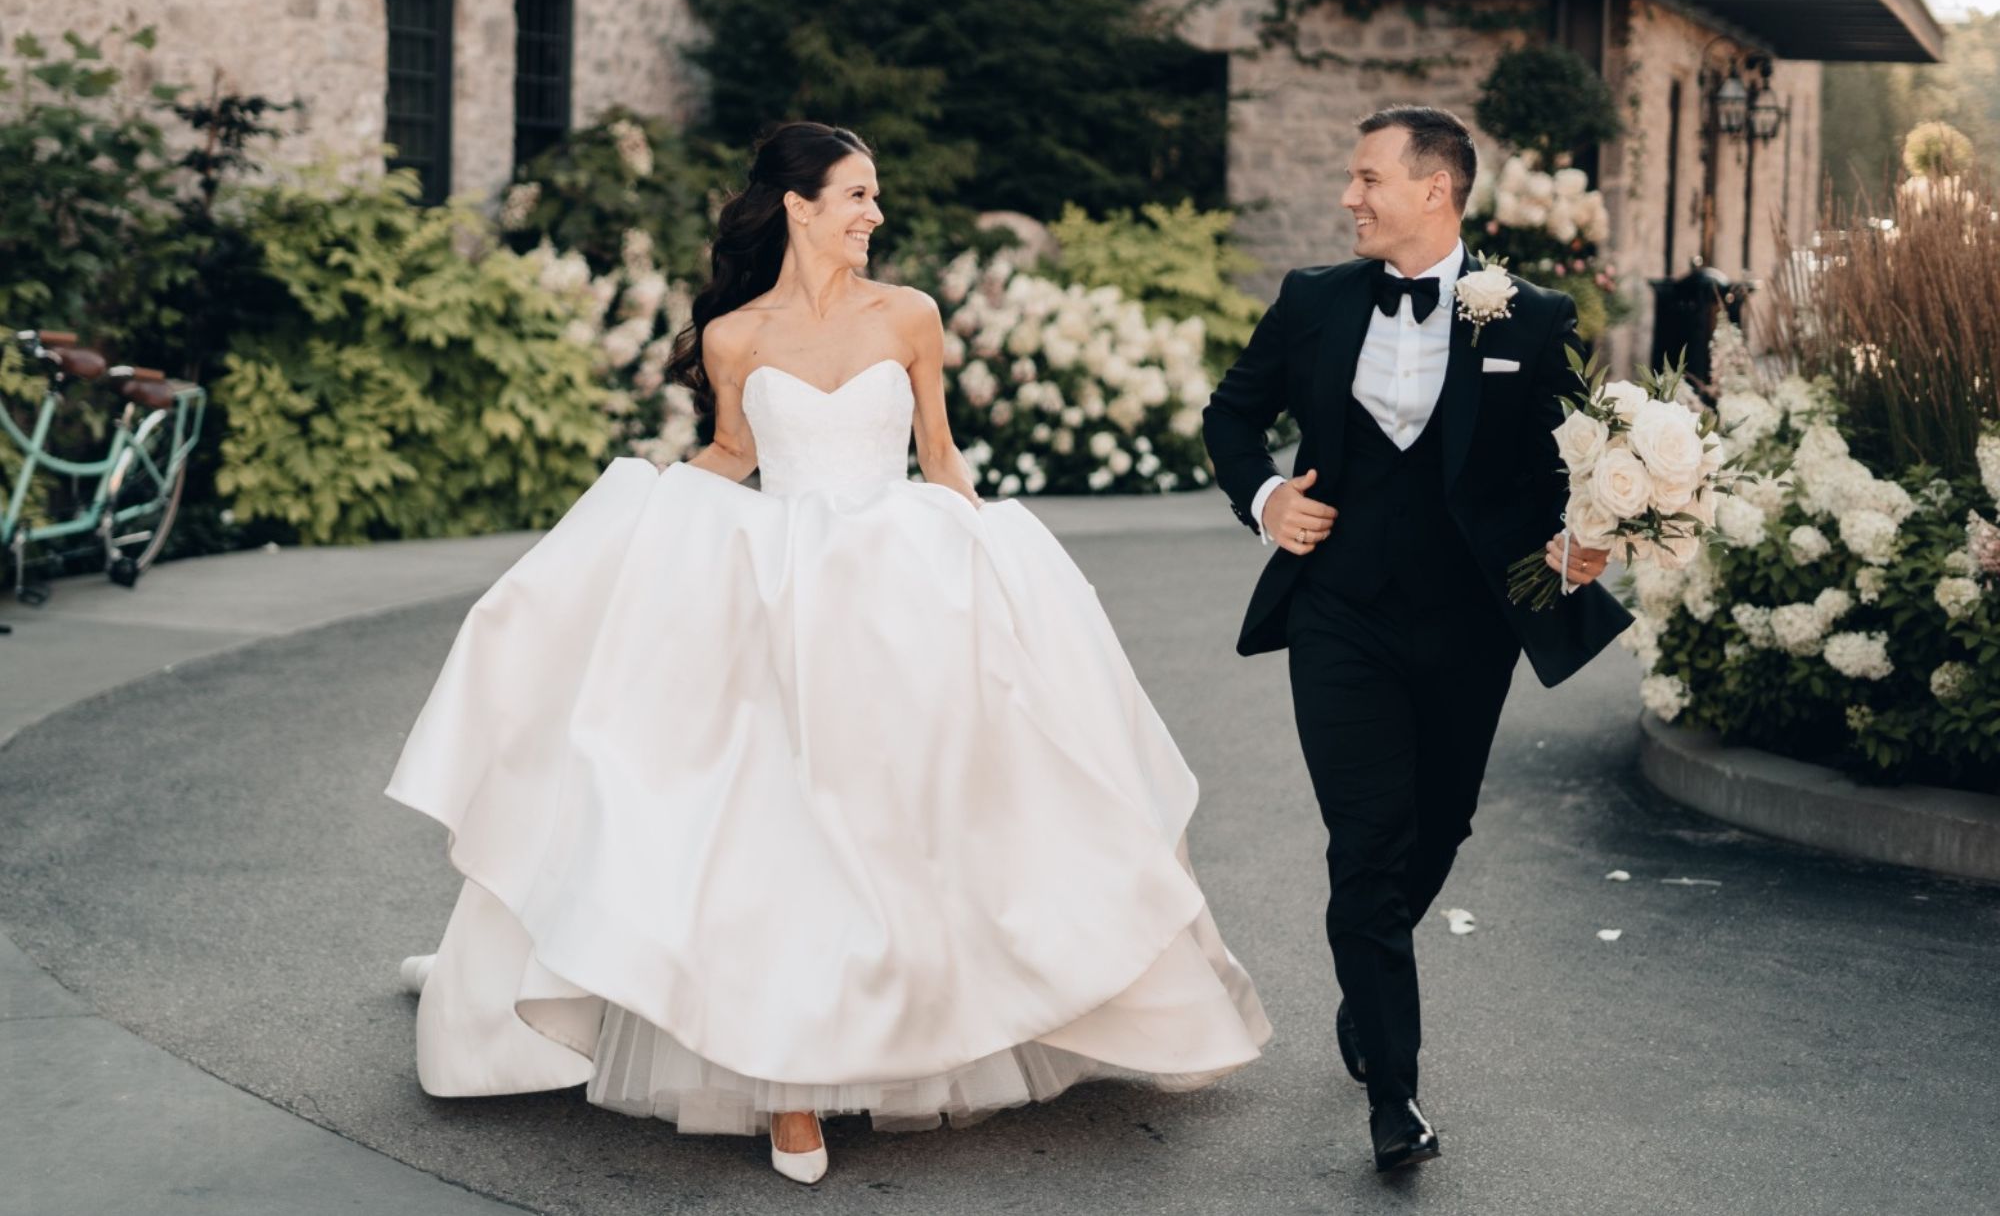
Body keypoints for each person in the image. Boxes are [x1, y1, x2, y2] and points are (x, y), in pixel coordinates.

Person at [385, 122, 1269, 1186]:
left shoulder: (909, 315)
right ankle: (786, 1086)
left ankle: (928, 1017)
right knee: (766, 821)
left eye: (874, 194)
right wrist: (639, 522)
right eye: (855, 194)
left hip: (903, 585)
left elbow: (938, 459)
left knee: (920, 816)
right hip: (777, 586)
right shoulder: (734, 336)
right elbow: (733, 454)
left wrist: (1002, 579)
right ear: (799, 205)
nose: (873, 213)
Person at [1200, 105, 1631, 1174]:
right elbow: (1230, 414)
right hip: (1335, 613)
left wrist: (1586, 540)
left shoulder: (1529, 318)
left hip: (1467, 625)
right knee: (1366, 840)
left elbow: (1569, 462)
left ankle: (1367, 975)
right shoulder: (1311, 301)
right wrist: (1264, 499)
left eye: (1365, 179)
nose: (1348, 197)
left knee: (1435, 827)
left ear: (1432, 190)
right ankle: (1393, 1092)